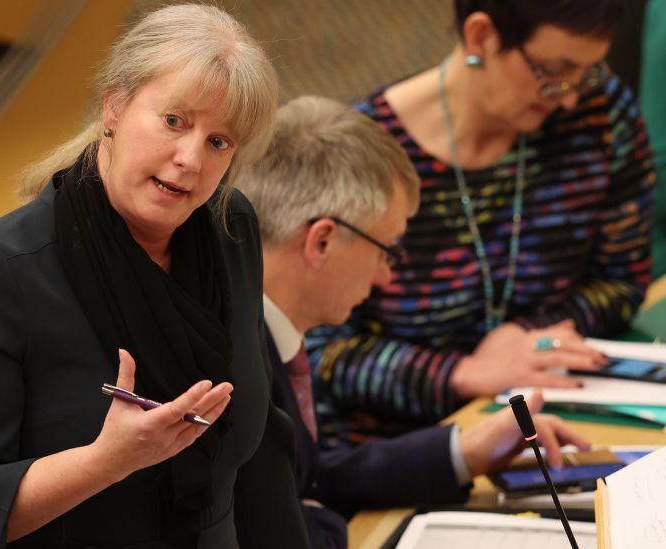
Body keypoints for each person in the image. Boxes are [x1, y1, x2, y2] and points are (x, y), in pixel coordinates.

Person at [0, 5, 308, 548]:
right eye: (174, 121)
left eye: (219, 142)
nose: (190, 159)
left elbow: (258, 453)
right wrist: (106, 461)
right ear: (114, 107)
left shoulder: (230, 226)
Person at [236, 95, 591, 548]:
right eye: (388, 249)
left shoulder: (262, 327)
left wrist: (464, 452)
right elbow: (289, 524)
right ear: (321, 241)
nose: (387, 275)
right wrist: (318, 517)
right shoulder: (230, 364)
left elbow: (310, 479)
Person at [309, 0, 656, 442]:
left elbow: (622, 279)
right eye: (554, 70)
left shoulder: (600, 115)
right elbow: (319, 352)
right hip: (397, 446)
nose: (570, 96)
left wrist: (523, 334)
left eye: (586, 72)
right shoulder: (360, 157)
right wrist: (467, 373)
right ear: (480, 37)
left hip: (550, 413)